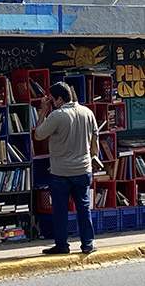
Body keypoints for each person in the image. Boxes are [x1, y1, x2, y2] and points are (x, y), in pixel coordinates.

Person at [34, 81, 99, 255]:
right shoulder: (88, 113)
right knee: (84, 208)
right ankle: (87, 244)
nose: (51, 102)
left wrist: (43, 111)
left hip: (61, 172)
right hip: (83, 169)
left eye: (52, 99)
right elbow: (95, 146)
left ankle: (62, 245)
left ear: (59, 99)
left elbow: (38, 134)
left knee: (60, 210)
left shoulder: (57, 116)